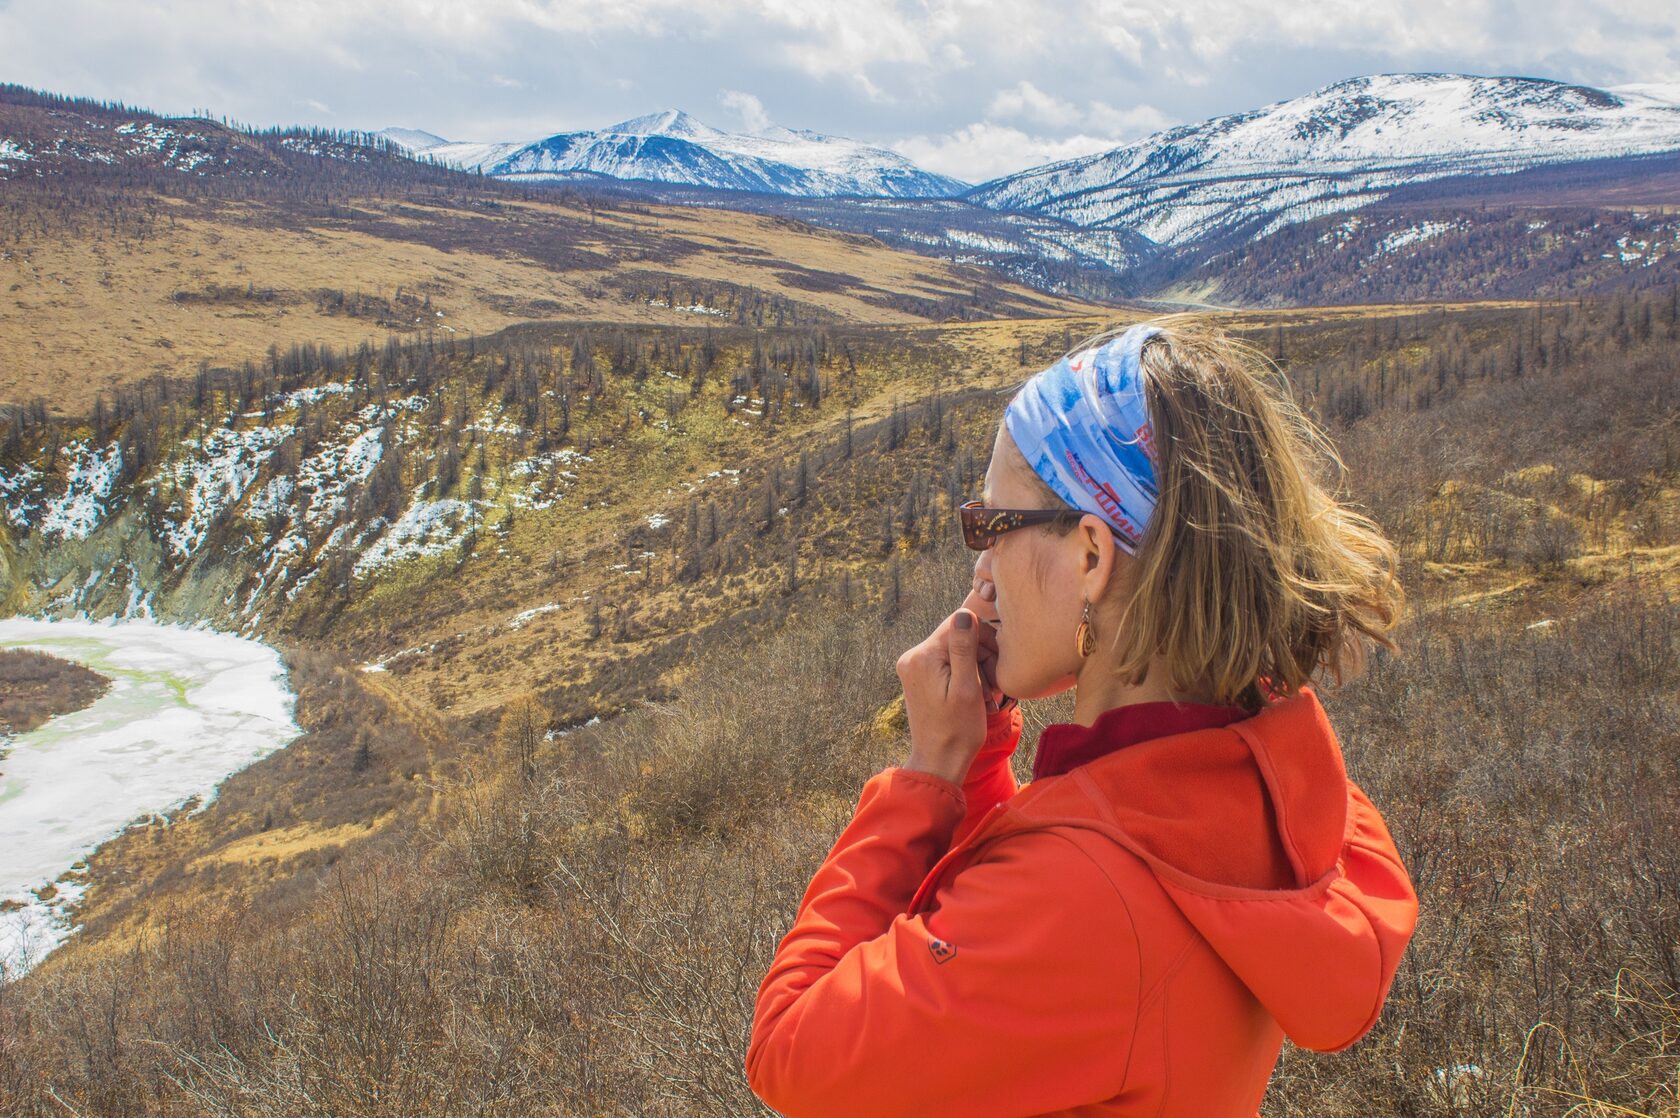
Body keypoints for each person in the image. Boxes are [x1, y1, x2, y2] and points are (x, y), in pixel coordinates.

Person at [745, 318, 1418, 1118]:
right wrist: (988, 762)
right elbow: (1014, 973)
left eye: (992, 527)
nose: (981, 568)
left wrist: (925, 781)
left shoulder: (1082, 901)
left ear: (1093, 556)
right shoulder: (1270, 778)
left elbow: (789, 1049)